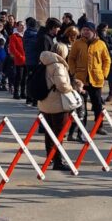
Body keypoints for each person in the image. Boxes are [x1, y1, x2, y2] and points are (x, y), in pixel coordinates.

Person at [37, 41, 82, 171]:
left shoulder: (44, 61)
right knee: (59, 134)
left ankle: (49, 157)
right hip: (57, 104)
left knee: (49, 132)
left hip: (45, 102)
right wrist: (73, 89)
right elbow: (62, 85)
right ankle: (58, 161)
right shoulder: (58, 65)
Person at [22, 18, 42, 105]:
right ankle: (34, 99)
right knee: (35, 80)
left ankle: (28, 97)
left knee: (29, 79)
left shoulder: (26, 34)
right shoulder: (36, 35)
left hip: (28, 60)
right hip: (35, 60)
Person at [7, 22, 27, 100]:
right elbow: (12, 48)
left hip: (26, 59)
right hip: (19, 59)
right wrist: (20, 56)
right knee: (19, 77)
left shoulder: (25, 36)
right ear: (17, 26)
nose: (22, 27)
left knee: (25, 77)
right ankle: (16, 92)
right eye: (21, 25)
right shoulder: (14, 36)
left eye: (23, 26)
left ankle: (23, 92)